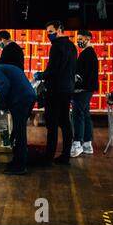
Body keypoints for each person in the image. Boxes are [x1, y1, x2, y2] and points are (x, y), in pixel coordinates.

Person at [34, 21, 77, 165]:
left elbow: (52, 70)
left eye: (51, 31)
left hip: (55, 90)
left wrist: (39, 75)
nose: (49, 34)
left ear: (59, 30)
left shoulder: (56, 46)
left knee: (51, 124)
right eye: (47, 31)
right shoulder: (72, 46)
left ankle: (49, 157)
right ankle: (65, 155)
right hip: (68, 89)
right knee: (65, 122)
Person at [0, 62, 36, 175]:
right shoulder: (9, 67)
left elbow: (4, 86)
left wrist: (3, 107)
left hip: (20, 100)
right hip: (28, 97)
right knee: (18, 130)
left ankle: (20, 165)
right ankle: (18, 159)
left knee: (19, 133)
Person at [71, 30, 99, 157]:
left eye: (81, 38)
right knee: (85, 115)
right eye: (78, 38)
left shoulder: (87, 54)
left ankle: (77, 144)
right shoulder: (90, 53)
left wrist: (76, 87)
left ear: (88, 39)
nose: (79, 41)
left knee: (78, 115)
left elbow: (80, 75)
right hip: (88, 89)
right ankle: (87, 144)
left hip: (82, 90)